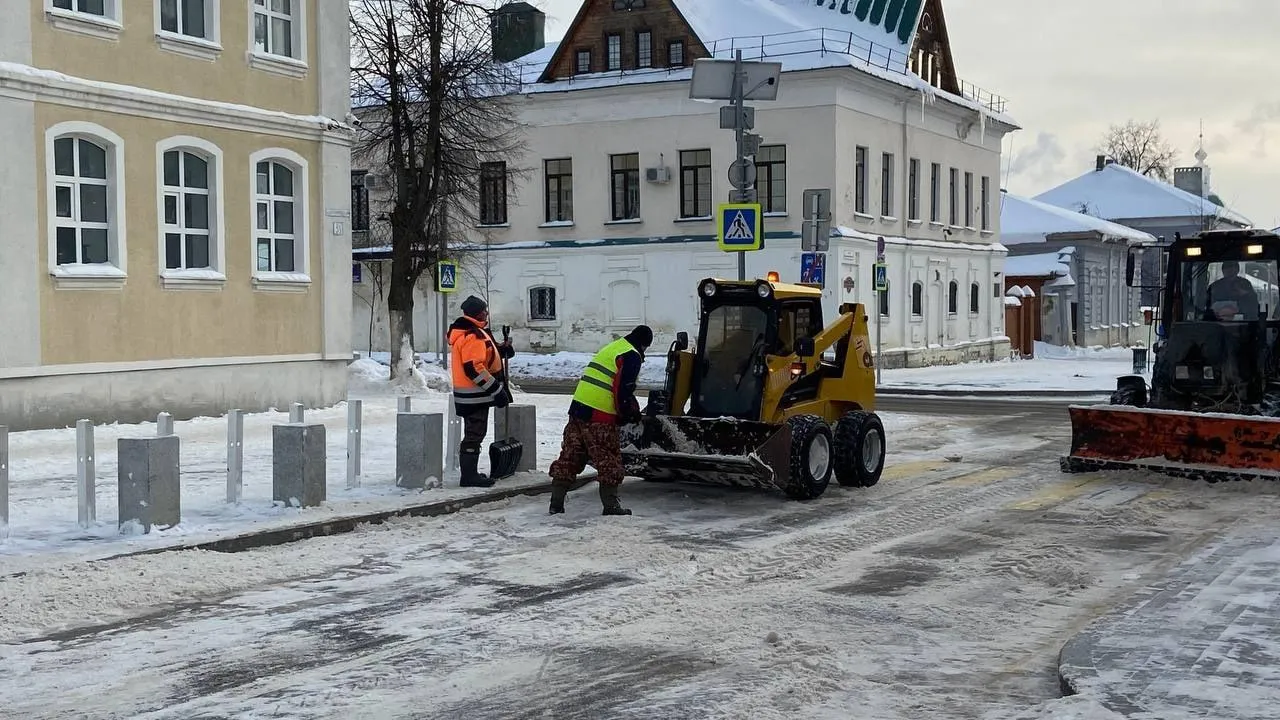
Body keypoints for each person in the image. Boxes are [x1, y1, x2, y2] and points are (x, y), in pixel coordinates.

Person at [547, 325, 653, 516]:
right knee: (608, 458)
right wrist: (627, 414)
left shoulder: (613, 348)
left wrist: (630, 406)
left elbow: (610, 382)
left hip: (578, 410)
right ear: (644, 346)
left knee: (571, 455)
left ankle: (556, 503)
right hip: (599, 416)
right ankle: (611, 506)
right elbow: (622, 390)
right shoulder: (632, 355)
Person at [447, 295, 515, 487]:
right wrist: (496, 390)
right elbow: (474, 368)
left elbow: (484, 356)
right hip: (473, 396)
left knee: (476, 432)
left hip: (473, 395)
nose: (486, 312)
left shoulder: (475, 332)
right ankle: (469, 477)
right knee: (474, 433)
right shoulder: (472, 335)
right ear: (477, 312)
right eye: (484, 310)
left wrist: (501, 350)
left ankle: (471, 474)